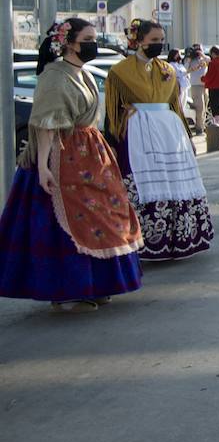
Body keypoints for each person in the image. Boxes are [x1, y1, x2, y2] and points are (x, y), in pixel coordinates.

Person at [0, 18, 142, 312]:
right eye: (88, 37)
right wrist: (43, 168)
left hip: (90, 154)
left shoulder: (83, 73)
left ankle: (97, 284)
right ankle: (66, 292)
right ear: (68, 42)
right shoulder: (55, 75)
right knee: (64, 225)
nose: (94, 43)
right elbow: (46, 125)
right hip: (61, 156)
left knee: (100, 219)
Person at [104, 19, 214, 260]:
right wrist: (111, 140)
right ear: (138, 40)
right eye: (154, 40)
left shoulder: (167, 70)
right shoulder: (120, 72)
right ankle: (143, 241)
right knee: (143, 185)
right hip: (137, 132)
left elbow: (176, 106)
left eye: (161, 40)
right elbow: (112, 111)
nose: (159, 44)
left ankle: (179, 239)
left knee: (174, 183)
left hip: (169, 132)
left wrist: (188, 138)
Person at [185, 44, 208, 135]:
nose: (198, 51)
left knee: (205, 107)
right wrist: (190, 58)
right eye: (196, 50)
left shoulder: (204, 59)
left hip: (205, 86)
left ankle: (203, 125)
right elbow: (185, 69)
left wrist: (202, 54)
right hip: (195, 85)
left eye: (200, 49)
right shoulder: (191, 60)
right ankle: (199, 129)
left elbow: (209, 60)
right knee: (200, 107)